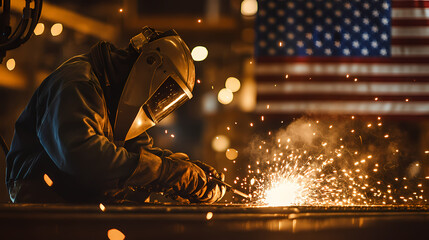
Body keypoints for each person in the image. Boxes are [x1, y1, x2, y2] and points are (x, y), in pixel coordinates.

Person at [5, 27, 226, 204]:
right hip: (43, 204)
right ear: (151, 66)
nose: (160, 104)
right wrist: (166, 171)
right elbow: (84, 158)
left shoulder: (113, 96)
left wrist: (186, 171)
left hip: (79, 200)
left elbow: (138, 153)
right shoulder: (77, 84)